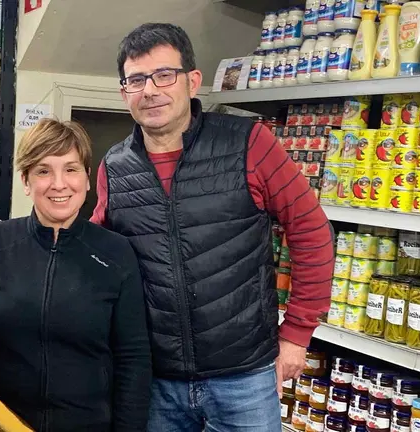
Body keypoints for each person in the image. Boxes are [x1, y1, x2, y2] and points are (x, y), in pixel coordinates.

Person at [90, 23, 334, 430]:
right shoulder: (114, 168)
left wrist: (296, 334)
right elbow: (96, 262)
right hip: (155, 382)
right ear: (124, 93)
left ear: (193, 81)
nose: (150, 90)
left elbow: (312, 231)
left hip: (245, 377)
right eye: (136, 80)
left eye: (164, 74)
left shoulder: (249, 143)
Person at [0, 118, 153, 432]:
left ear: (87, 179)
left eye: (71, 169)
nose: (59, 183)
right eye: (44, 170)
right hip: (1, 421)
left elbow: (133, 359)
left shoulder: (116, 253)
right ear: (26, 181)